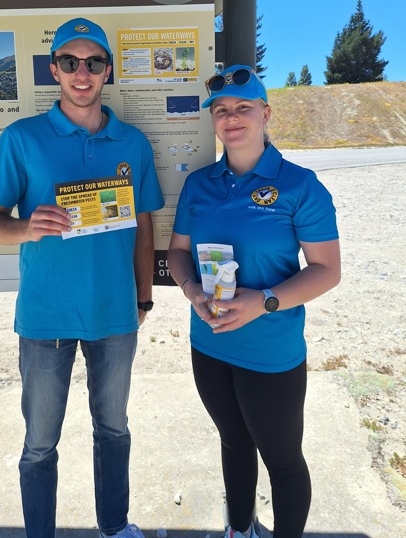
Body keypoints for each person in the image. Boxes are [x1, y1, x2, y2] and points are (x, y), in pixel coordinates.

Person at [0, 17, 164, 538]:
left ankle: (115, 527)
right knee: (39, 443)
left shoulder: (134, 143)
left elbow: (144, 228)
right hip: (44, 318)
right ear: (54, 70)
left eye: (94, 62)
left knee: (114, 429)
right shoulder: (21, 138)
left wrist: (143, 300)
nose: (82, 73)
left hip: (115, 315)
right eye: (71, 62)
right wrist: (27, 227)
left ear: (107, 71)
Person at [167, 64, 341, 538]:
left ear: (266, 113)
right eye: (221, 110)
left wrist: (263, 301)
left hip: (271, 351)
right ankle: (239, 529)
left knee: (283, 461)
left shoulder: (300, 185)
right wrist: (190, 290)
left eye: (244, 107)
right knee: (233, 442)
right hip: (209, 342)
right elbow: (178, 252)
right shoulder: (199, 184)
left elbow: (327, 271)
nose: (231, 117)